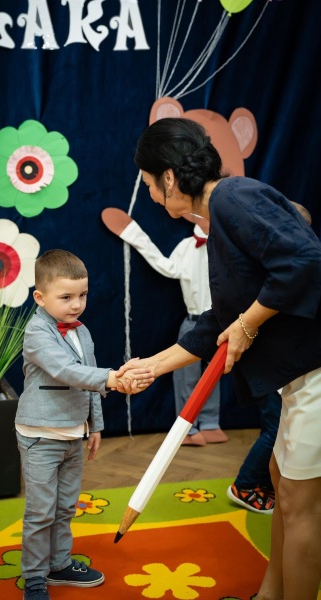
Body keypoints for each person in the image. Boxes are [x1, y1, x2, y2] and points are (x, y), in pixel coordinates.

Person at [115, 117, 321, 600]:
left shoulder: (231, 197)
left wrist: (248, 324)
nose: (152, 197)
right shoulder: (220, 217)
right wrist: (150, 367)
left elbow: (306, 262)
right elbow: (217, 322)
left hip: (315, 374)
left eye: (150, 185)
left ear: (169, 177)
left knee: (300, 504)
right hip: (298, 380)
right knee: (280, 485)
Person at [15, 249, 154, 600]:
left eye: (83, 295)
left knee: (65, 507)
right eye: (66, 297)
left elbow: (87, 382)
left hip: (73, 435)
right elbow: (67, 371)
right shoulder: (36, 332)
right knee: (41, 512)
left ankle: (59, 563)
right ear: (40, 297)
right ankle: (34, 577)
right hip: (40, 437)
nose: (76, 305)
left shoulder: (82, 331)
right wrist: (113, 378)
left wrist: (95, 426)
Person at [102, 207, 227, 446]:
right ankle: (187, 428)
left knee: (214, 376)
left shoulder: (225, 247)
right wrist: (135, 235)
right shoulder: (186, 247)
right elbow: (166, 267)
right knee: (186, 377)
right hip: (194, 322)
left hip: (221, 324)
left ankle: (211, 422)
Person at [227, 201, 313, 515]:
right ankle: (246, 484)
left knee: (281, 431)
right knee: (275, 430)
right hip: (274, 375)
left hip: (283, 375)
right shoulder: (271, 276)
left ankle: (268, 483)